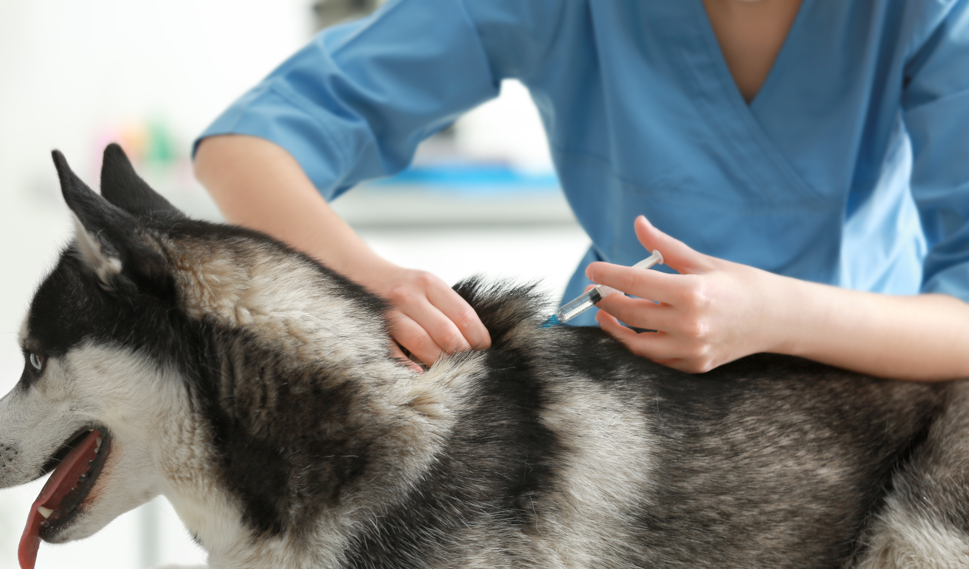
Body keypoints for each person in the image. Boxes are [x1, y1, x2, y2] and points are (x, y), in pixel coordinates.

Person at [193, 0, 969, 381]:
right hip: (615, 398)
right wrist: (366, 281)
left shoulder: (928, 13)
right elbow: (247, 143)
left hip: (878, 403)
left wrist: (775, 316)